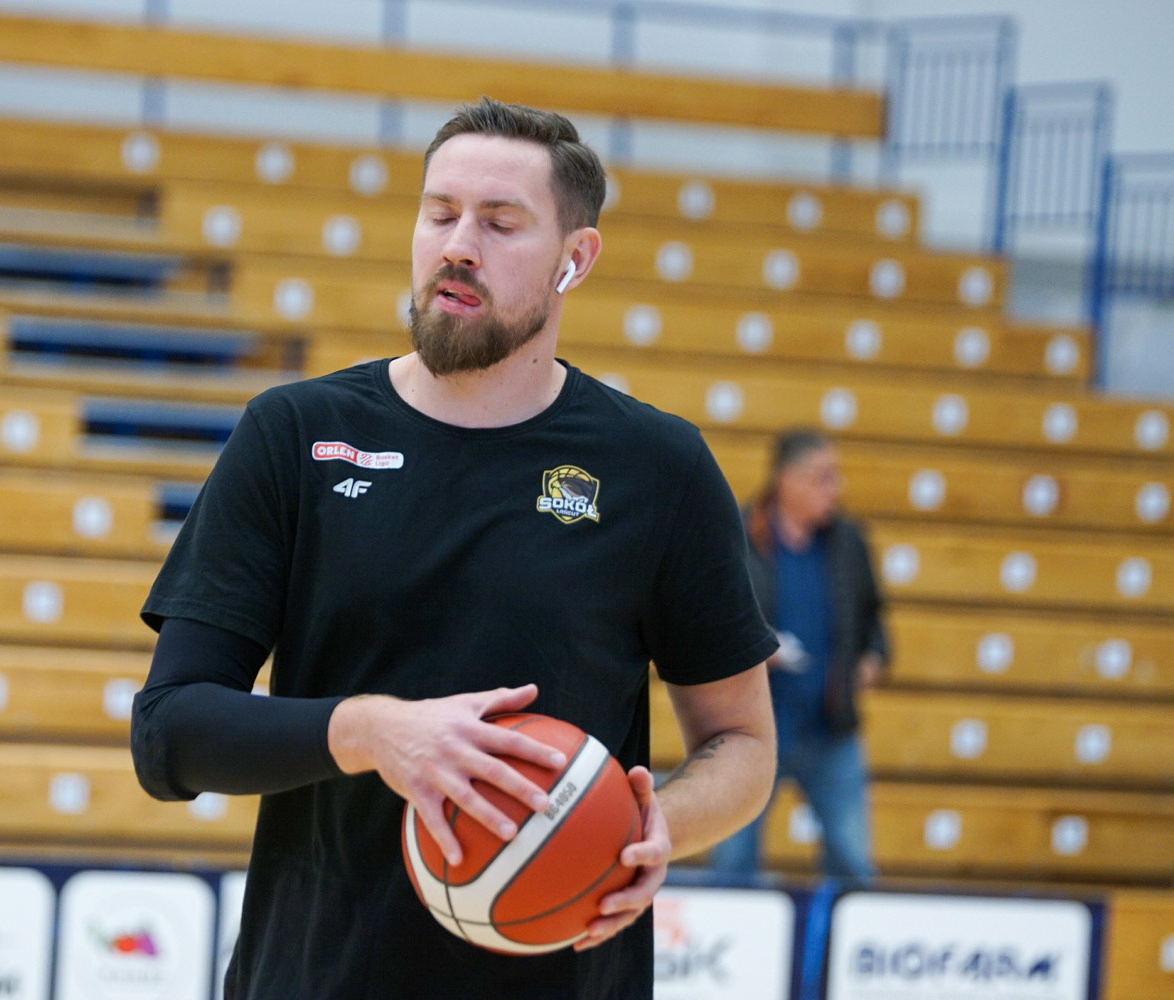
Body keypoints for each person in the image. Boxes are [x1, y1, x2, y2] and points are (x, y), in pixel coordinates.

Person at [131, 97, 778, 1000]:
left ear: (575, 258)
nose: (458, 246)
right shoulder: (296, 435)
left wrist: (652, 824)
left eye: (500, 224)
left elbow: (742, 742)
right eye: (439, 214)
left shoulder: (657, 467)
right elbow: (170, 733)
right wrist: (373, 732)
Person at [707, 429, 888, 881]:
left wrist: (873, 656)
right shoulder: (738, 534)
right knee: (732, 863)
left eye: (836, 476)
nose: (835, 488)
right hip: (753, 729)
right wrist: (752, 644)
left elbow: (872, 615)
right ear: (786, 479)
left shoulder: (848, 541)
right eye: (823, 477)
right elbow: (707, 616)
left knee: (854, 864)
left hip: (831, 728)